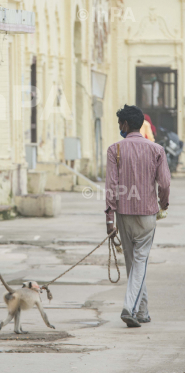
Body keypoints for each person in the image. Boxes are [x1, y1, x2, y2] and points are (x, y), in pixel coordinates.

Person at [105, 104, 170, 328]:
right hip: (147, 215)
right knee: (140, 263)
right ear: (141, 124)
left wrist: (109, 218)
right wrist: (163, 203)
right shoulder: (156, 150)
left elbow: (111, 186)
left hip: (123, 215)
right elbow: (165, 183)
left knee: (133, 263)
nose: (119, 127)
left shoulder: (115, 149)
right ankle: (130, 307)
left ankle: (142, 311)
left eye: (119, 123)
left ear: (124, 125)